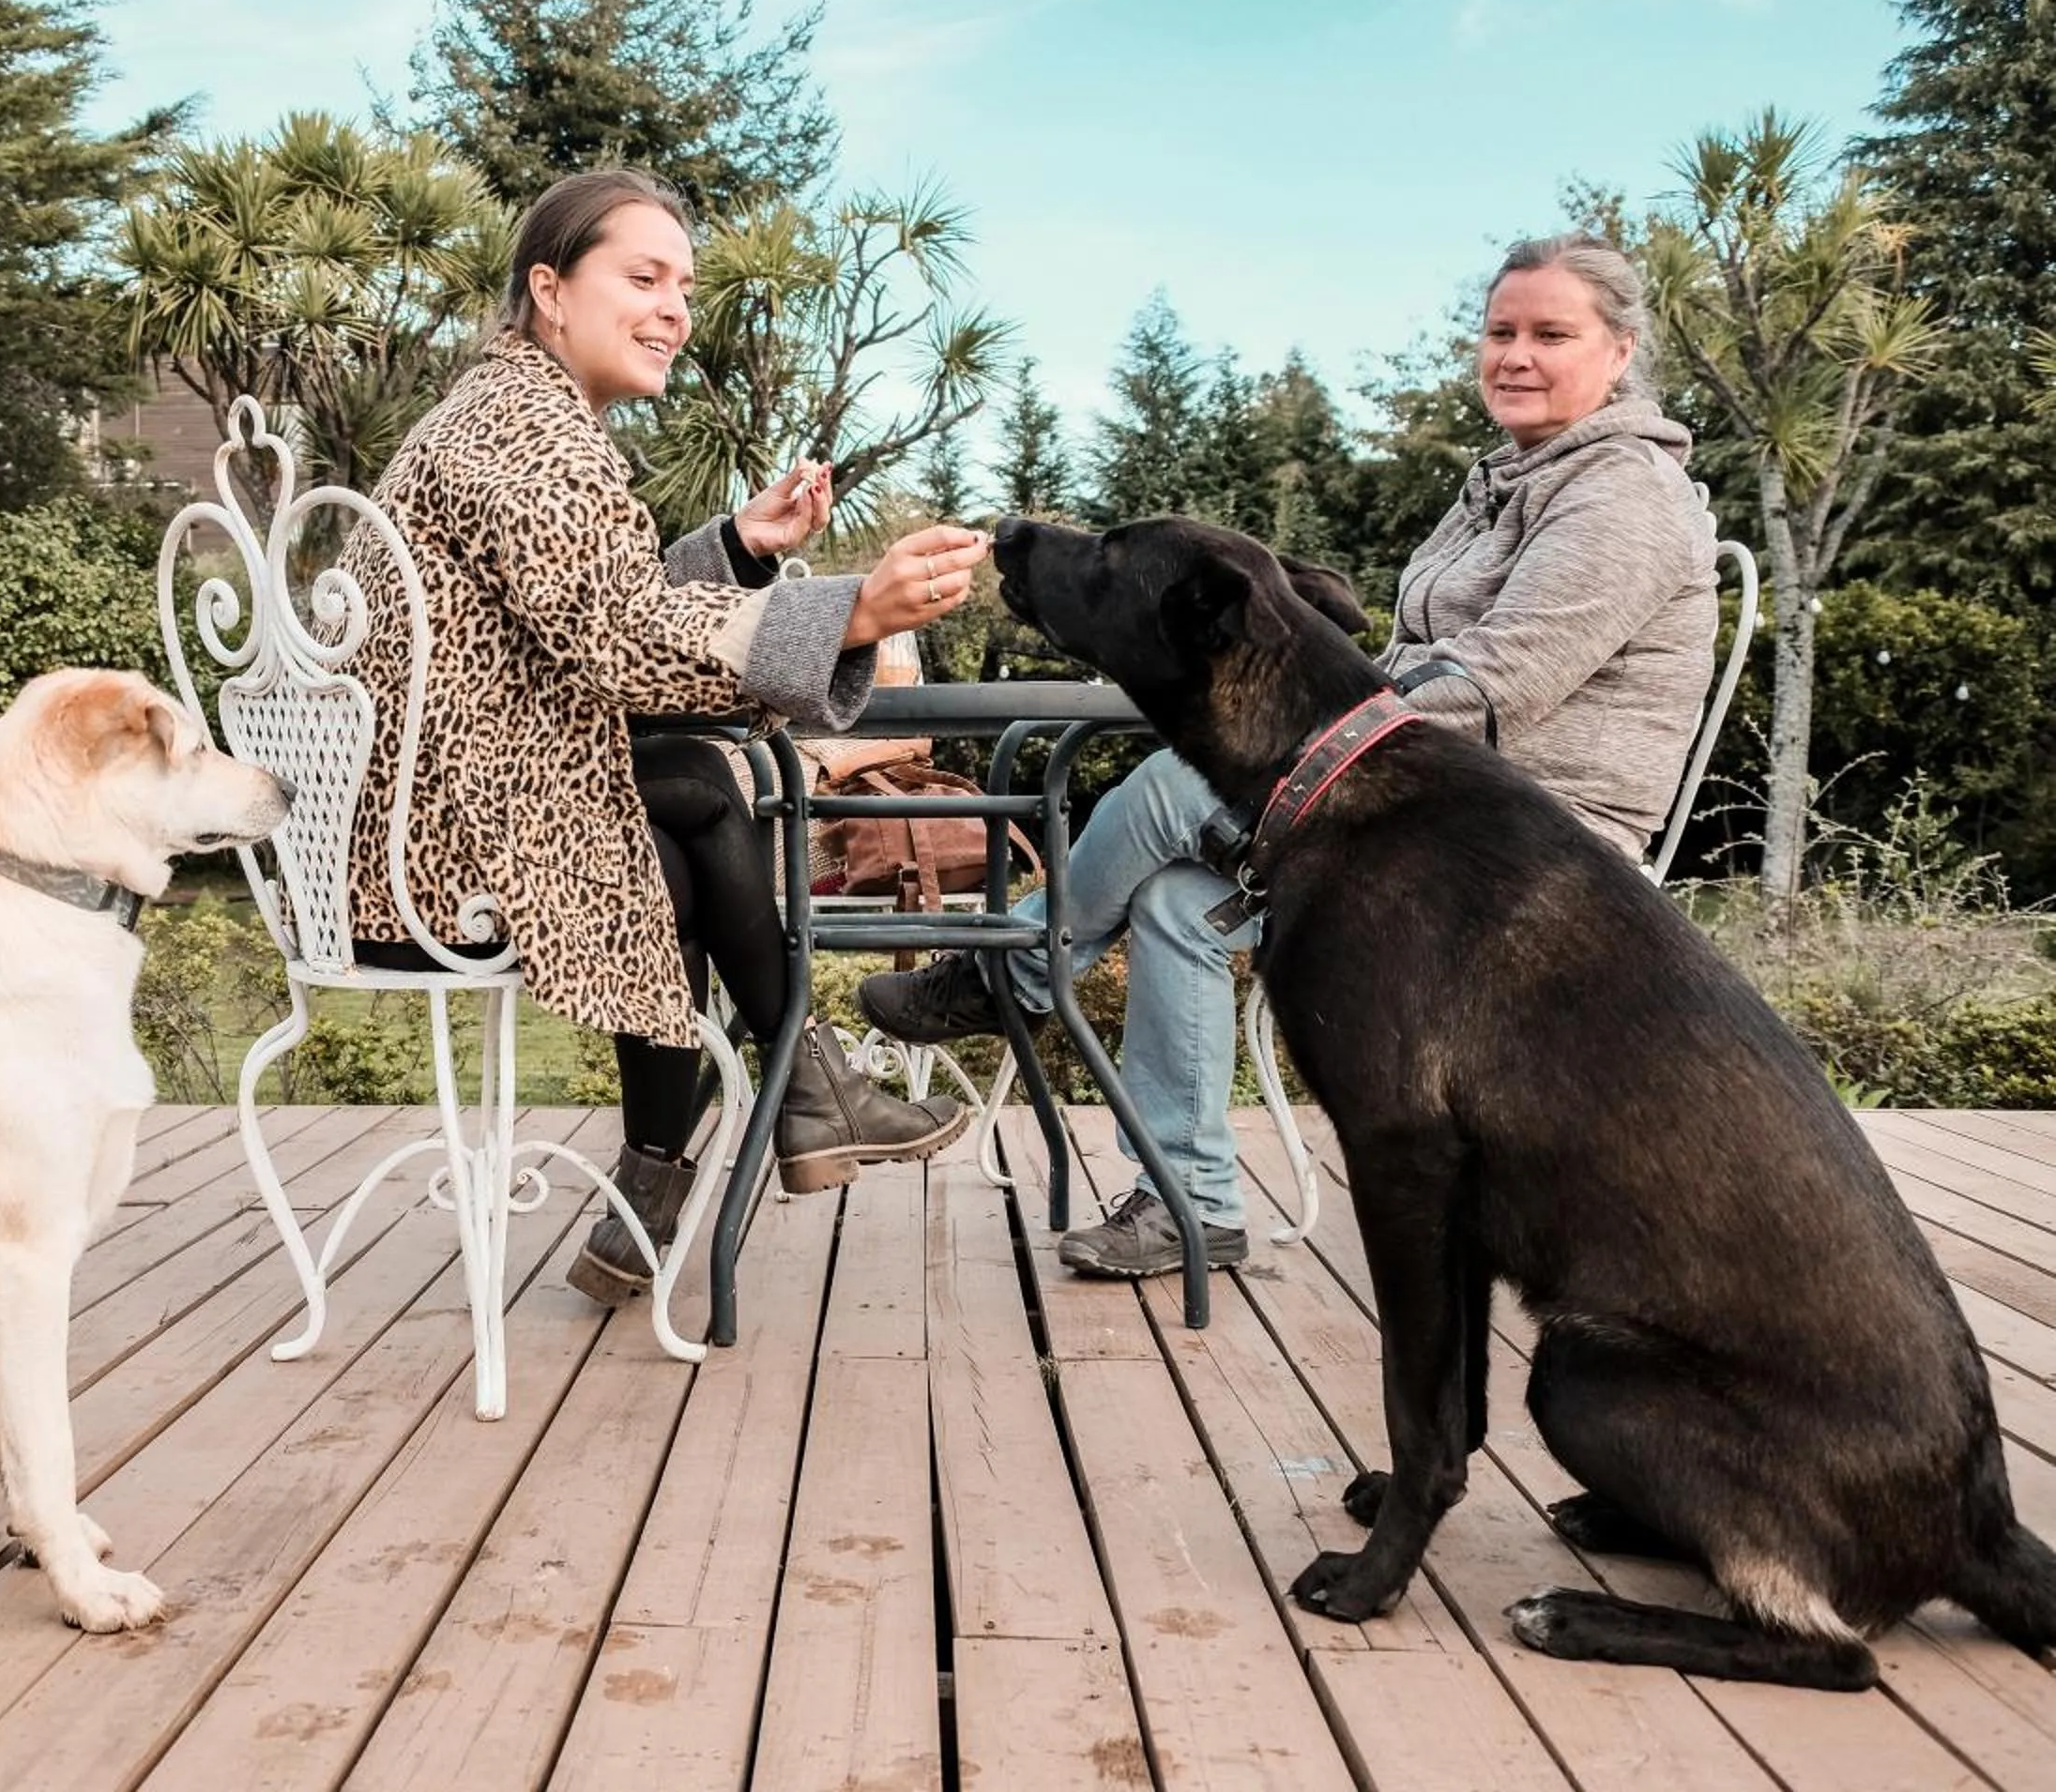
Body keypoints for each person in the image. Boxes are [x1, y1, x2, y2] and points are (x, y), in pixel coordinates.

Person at [860, 231, 1721, 1278]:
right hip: (1419, 811)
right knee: (1176, 903)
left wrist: (1301, 732)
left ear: (1619, 351)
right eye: (1502, 331)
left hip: (1534, 841)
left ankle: (1017, 976)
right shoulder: (1507, 479)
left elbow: (1500, 683)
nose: (1516, 355)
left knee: (1170, 789)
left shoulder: (1624, 494)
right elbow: (1406, 663)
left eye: (1552, 334)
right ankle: (1190, 1201)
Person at [341, 167, 991, 1307]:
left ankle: (674, 1173)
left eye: (684, 287)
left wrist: (739, 545)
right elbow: (618, 634)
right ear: (550, 288)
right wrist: (849, 611)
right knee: (690, 801)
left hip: (433, 815)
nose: (676, 310)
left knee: (683, 809)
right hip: (434, 857)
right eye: (644, 278)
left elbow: (593, 604)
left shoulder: (509, 413)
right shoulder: (530, 432)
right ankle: (803, 1092)